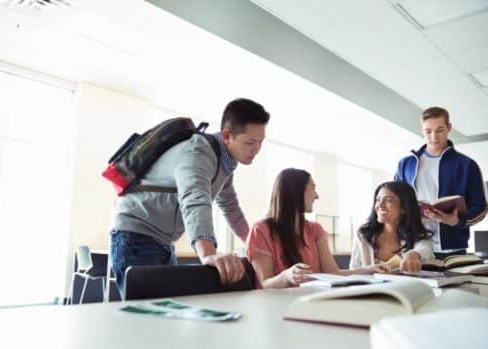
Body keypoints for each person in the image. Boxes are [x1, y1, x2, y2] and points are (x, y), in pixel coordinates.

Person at [110, 98, 270, 294]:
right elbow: (195, 198)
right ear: (227, 136)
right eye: (250, 142)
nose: (256, 150)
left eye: (260, 142)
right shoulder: (198, 151)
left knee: (166, 313)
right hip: (135, 236)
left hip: (163, 241)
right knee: (149, 317)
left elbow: (230, 207)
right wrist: (208, 255)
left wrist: (252, 243)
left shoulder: (225, 164)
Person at [246, 168, 389, 289]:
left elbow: (332, 273)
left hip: (311, 301)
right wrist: (287, 276)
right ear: (296, 191)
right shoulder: (261, 230)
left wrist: (368, 270)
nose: (317, 195)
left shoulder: (315, 230)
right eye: (313, 188)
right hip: (274, 305)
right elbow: (265, 283)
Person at [395, 106, 487, 259]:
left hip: (453, 250)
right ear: (421, 130)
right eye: (428, 131)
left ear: (449, 128)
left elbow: (481, 208)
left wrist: (456, 221)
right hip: (415, 248)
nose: (434, 137)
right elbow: (396, 202)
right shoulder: (405, 164)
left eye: (439, 130)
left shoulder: (467, 165)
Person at [350, 181, 434, 272]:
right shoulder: (363, 234)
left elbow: (425, 249)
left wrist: (414, 254)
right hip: (369, 286)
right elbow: (354, 271)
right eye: (378, 200)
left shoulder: (418, 235)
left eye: (388, 200)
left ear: (404, 208)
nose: (380, 205)